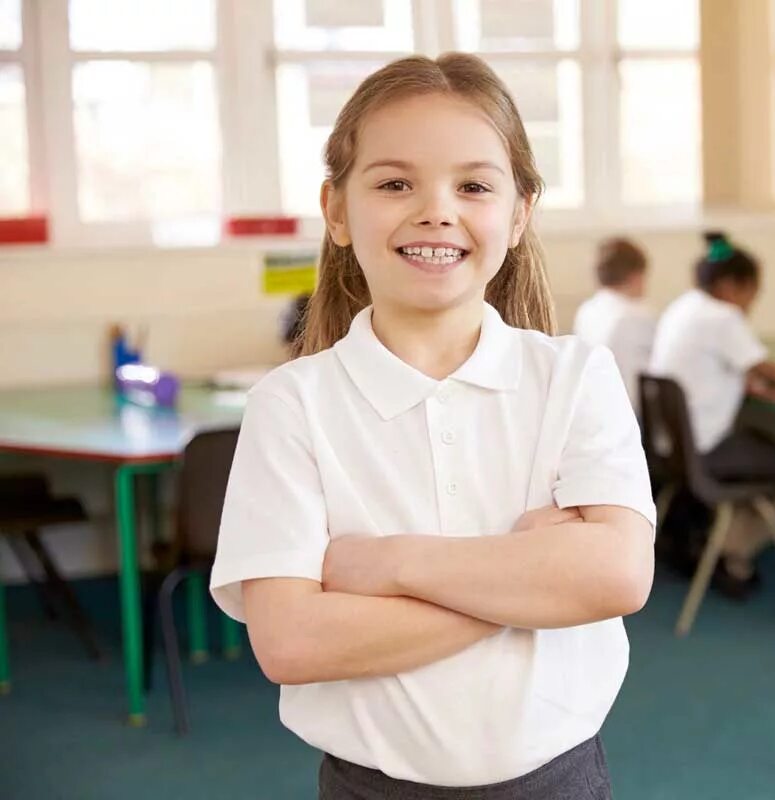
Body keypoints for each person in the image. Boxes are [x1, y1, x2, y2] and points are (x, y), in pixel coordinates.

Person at [209, 54, 655, 799]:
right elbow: (290, 641)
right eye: (393, 184)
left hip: (561, 781)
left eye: (474, 185)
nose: (436, 210)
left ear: (518, 215)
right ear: (337, 211)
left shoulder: (575, 376)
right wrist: (525, 580)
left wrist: (386, 565)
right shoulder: (291, 403)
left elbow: (615, 575)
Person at [649, 231, 775, 596]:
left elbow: (727, 368)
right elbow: (767, 369)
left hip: (672, 449)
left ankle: (718, 540)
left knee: (763, 443)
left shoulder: (684, 306)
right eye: (753, 293)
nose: (752, 304)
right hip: (707, 448)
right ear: (732, 285)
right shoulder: (723, 316)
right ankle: (732, 548)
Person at [573, 237, 656, 405]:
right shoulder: (635, 315)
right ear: (636, 277)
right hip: (630, 411)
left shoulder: (587, 310)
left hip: (592, 405)